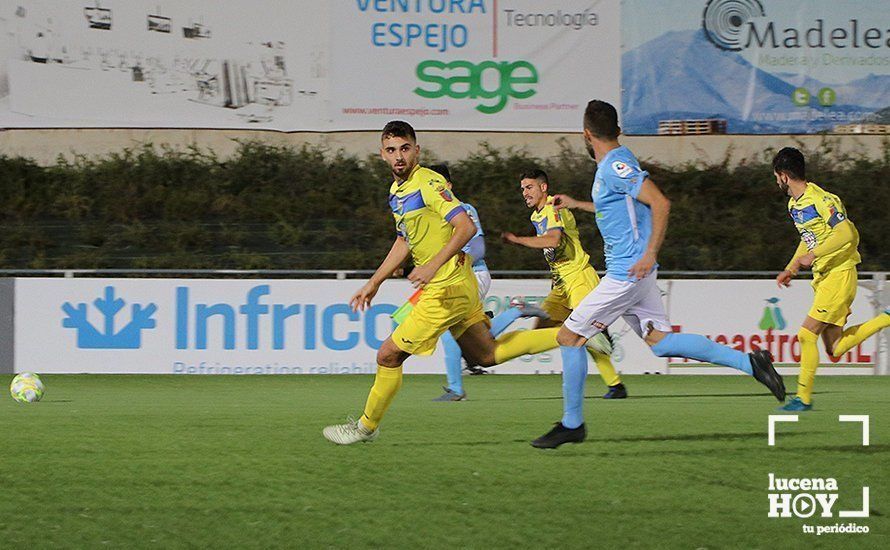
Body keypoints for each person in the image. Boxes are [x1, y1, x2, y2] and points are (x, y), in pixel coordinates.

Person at [322, 120, 610, 445]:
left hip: (445, 290)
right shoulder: (397, 193)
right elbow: (404, 240)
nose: (398, 156)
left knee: (388, 355)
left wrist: (431, 265)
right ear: (382, 154)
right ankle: (572, 335)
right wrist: (374, 282)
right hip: (459, 286)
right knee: (484, 356)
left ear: (417, 150)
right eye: (391, 150)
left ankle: (365, 427)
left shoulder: (428, 183)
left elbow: (465, 227)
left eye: (405, 148)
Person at [532, 100, 786, 449]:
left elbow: (660, 202)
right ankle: (751, 363)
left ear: (586, 134)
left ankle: (572, 424)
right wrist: (578, 204)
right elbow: (622, 205)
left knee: (569, 337)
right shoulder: (618, 161)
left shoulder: (614, 166)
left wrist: (649, 253)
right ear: (617, 131)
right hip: (638, 272)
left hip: (628, 272)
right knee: (662, 343)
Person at [772, 147, 890, 412]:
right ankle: (887, 318)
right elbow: (808, 238)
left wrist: (814, 255)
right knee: (835, 350)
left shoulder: (822, 200)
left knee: (806, 334)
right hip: (824, 278)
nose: (776, 182)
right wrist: (791, 268)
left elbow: (847, 234)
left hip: (840, 274)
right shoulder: (795, 204)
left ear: (783, 176)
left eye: (776, 177)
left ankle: (802, 398)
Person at [427, 164, 549, 402]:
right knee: (475, 335)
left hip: (472, 276)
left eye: (437, 184)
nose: (432, 188)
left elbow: (479, 248)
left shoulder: (463, 209)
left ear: (449, 186)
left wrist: (453, 261)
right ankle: (517, 311)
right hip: (453, 280)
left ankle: (456, 389)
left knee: (449, 330)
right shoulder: (431, 214)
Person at [502, 168, 627, 399]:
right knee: (541, 331)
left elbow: (553, 239)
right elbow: (553, 252)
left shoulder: (553, 207)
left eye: (529, 187)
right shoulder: (536, 215)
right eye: (522, 189)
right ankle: (596, 336)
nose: (525, 193)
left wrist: (519, 240)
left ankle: (615, 384)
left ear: (543, 187)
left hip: (580, 278)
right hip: (562, 285)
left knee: (584, 334)